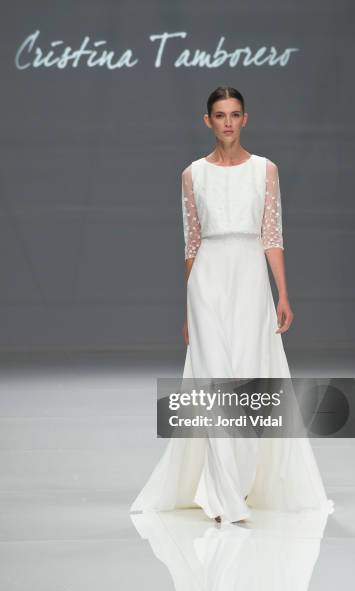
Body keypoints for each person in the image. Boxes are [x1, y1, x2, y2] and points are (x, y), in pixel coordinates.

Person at [130, 86, 334, 523]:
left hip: (248, 280)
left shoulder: (266, 171)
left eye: (234, 114)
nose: (227, 122)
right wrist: (188, 309)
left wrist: (283, 293)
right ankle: (225, 496)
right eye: (219, 114)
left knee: (247, 376)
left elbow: (272, 236)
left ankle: (239, 482)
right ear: (207, 121)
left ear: (245, 119)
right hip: (207, 281)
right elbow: (191, 244)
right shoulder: (191, 175)